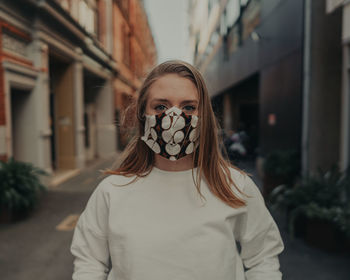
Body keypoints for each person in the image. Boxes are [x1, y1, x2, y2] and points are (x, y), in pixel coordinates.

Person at [70, 60, 284, 280]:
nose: (175, 118)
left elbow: (263, 258)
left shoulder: (235, 185)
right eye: (161, 107)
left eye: (189, 107)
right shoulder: (112, 191)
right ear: (143, 114)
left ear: (204, 117)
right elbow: (89, 261)